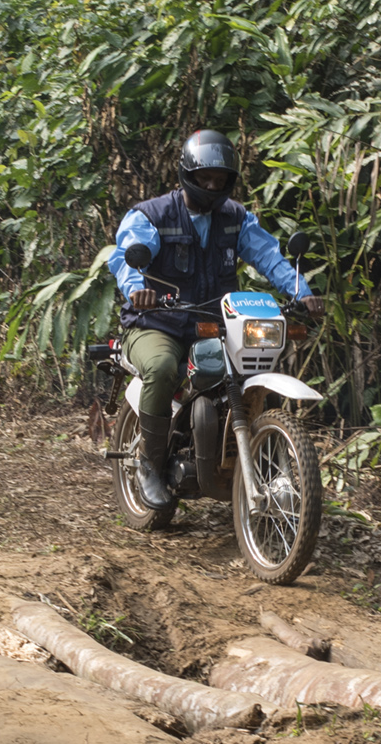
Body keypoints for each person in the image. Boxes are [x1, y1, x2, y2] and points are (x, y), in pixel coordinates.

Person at [109, 130, 321, 514]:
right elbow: (127, 257)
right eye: (204, 178)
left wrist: (301, 293)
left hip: (214, 325)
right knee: (162, 367)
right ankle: (150, 466)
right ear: (187, 174)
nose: (211, 186)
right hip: (157, 323)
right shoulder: (153, 215)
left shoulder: (235, 218)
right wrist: (138, 289)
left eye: (219, 179)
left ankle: (262, 465)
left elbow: (269, 257)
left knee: (255, 367)